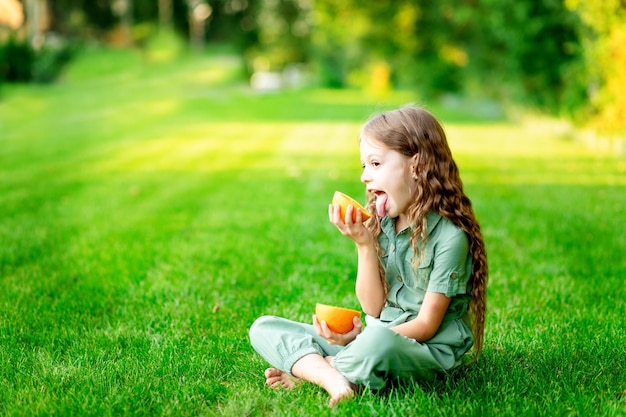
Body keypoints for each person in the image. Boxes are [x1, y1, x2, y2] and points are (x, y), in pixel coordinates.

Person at [249, 105, 488, 406]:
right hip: (375, 338)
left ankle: (321, 371)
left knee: (379, 342)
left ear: (417, 165)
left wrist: (359, 343)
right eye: (363, 165)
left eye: (375, 164)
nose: (364, 176)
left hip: (423, 351)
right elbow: (373, 308)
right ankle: (337, 376)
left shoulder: (451, 237)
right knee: (264, 327)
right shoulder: (382, 221)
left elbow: (426, 325)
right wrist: (364, 244)